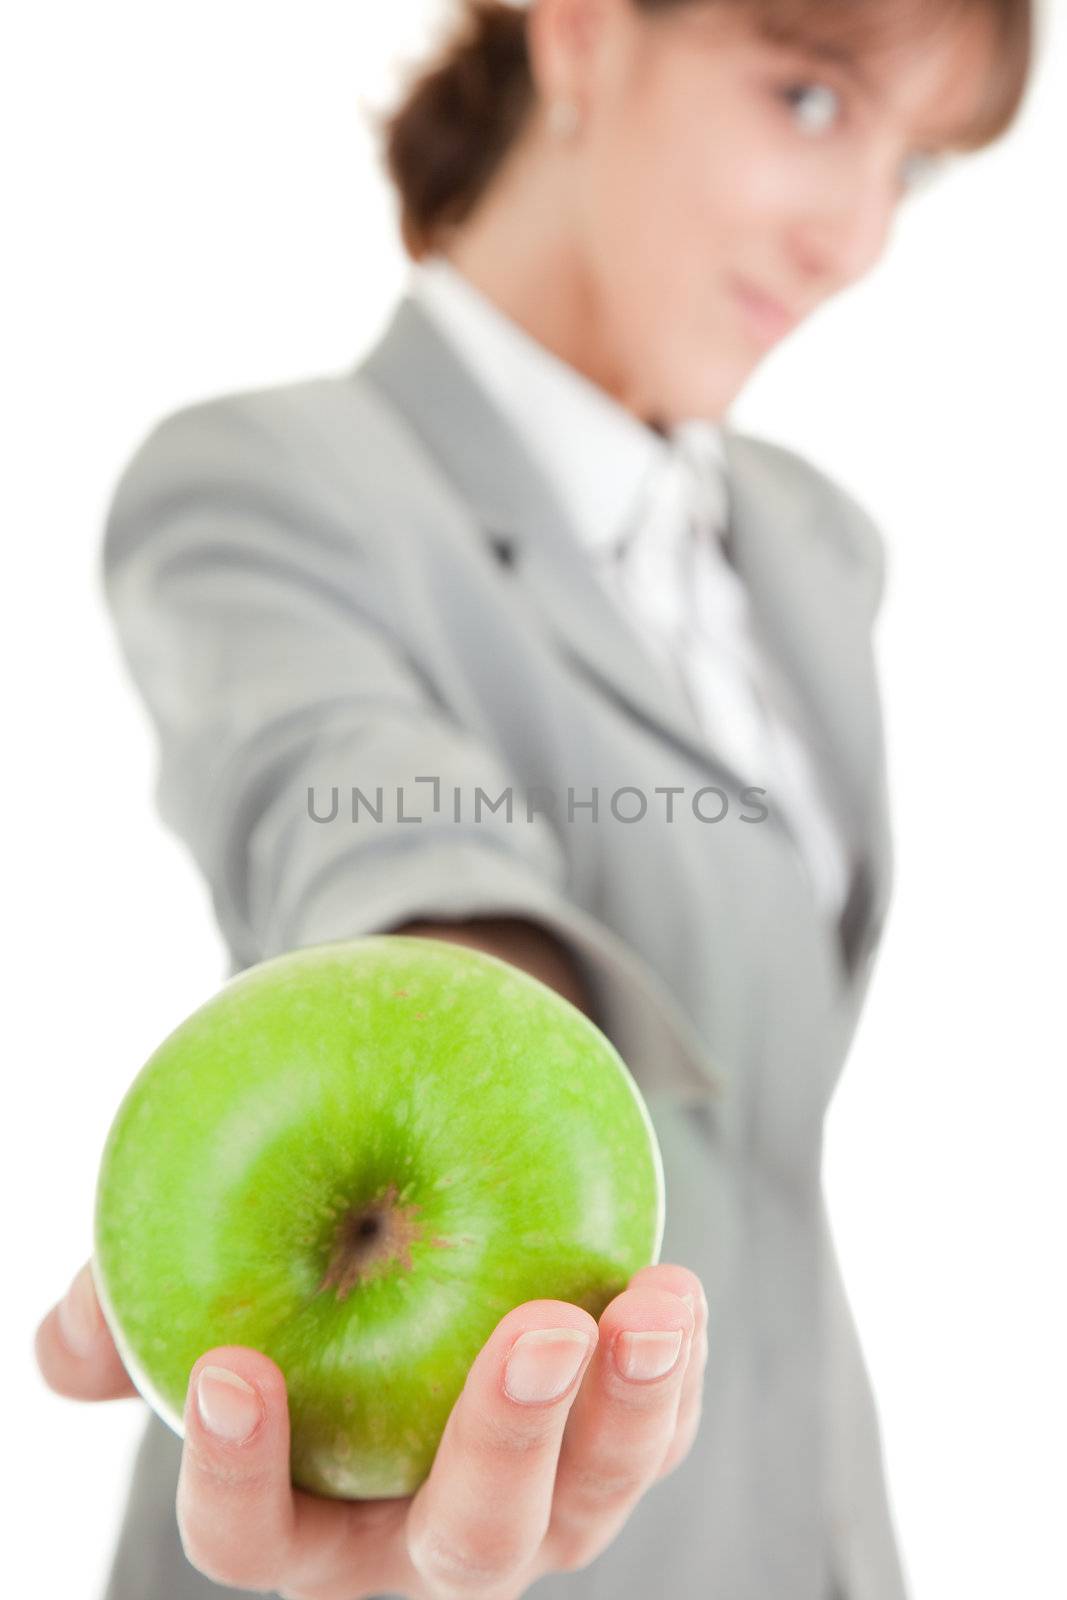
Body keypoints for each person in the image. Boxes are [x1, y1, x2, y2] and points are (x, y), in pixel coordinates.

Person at [35, 0, 1036, 1596]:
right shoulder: (271, 478)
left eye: (912, 171)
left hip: (806, 1532)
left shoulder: (812, 544)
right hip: (416, 1524)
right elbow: (363, 811)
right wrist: (468, 1058)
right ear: (576, 32)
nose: (854, 236)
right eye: (809, 99)